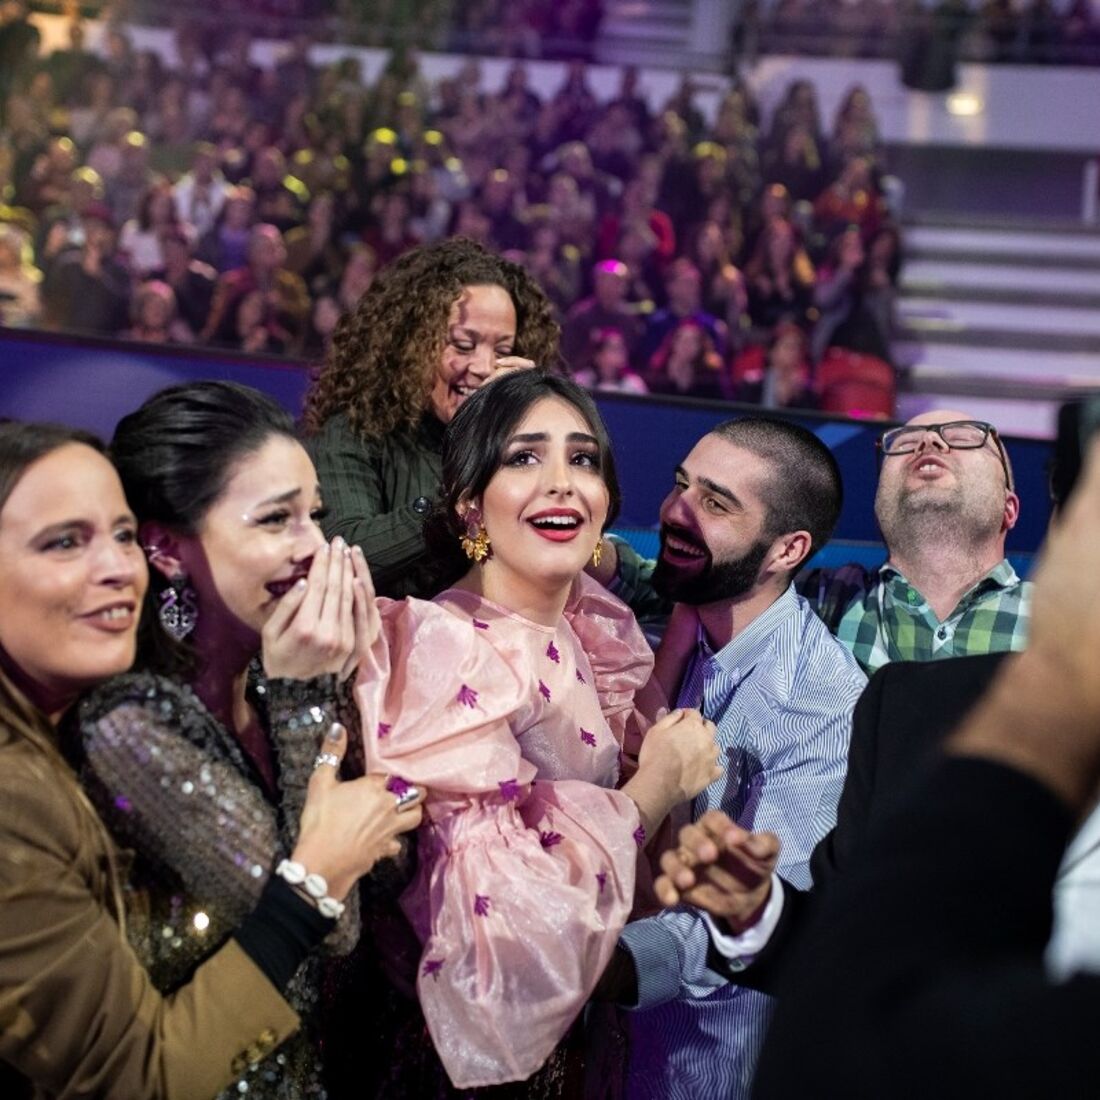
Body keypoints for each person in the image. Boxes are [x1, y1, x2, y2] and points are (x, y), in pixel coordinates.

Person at [665, 435, 1100, 1098]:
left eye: (966, 440)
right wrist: (759, 913)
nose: (932, 446)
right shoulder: (903, 702)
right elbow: (856, 939)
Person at [0, 420, 422, 1098]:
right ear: (172, 548)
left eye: (121, 535)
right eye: (65, 542)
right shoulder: (111, 731)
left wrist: (344, 689)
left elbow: (382, 874)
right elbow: (139, 1076)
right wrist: (314, 875)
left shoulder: (258, 686)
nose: (119, 567)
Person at [353, 370, 722, 1090]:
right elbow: (498, 932)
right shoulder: (445, 647)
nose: (562, 483)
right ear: (470, 507)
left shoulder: (586, 623)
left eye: (582, 459)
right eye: (524, 457)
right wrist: (655, 788)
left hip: (580, 1038)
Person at [603, 418, 867, 1099]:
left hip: (712, 1065)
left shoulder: (821, 703)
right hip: (617, 1054)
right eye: (681, 485)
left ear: (788, 549)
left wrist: (598, 966)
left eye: (715, 503)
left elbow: (747, 913)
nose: (675, 512)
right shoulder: (680, 631)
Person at [605, 408, 1031, 674]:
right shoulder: (817, 600)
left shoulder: (1061, 626)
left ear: (1008, 509)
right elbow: (662, 579)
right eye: (903, 443)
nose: (929, 441)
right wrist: (585, 543)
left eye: (962, 436)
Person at [304, 237, 559, 599]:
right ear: (410, 343)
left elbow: (584, 555)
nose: (485, 367)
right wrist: (456, 496)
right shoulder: (353, 432)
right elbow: (345, 557)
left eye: (503, 350)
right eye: (463, 345)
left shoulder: (518, 444)